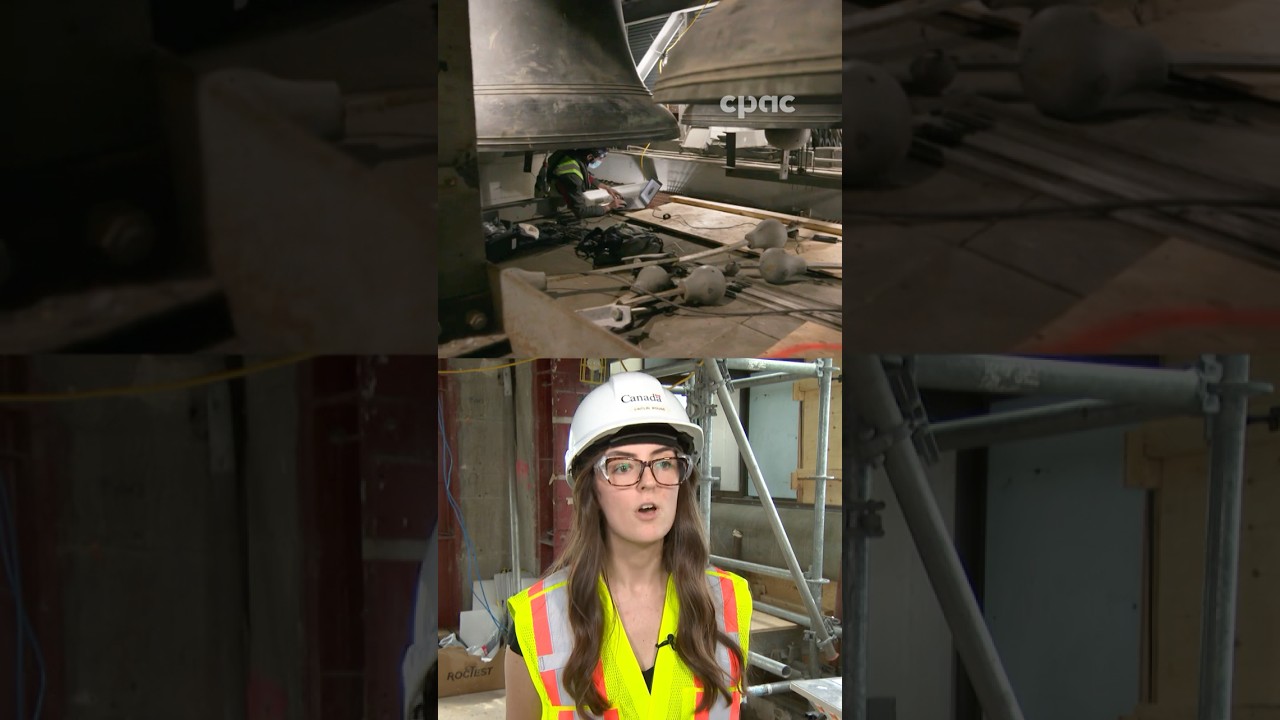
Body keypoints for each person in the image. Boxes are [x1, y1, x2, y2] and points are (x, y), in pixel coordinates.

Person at [505, 372, 752, 720]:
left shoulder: (730, 600)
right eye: (622, 467)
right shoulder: (536, 622)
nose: (649, 482)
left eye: (665, 463)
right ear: (591, 490)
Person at [546, 148, 625, 218]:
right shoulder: (573, 179)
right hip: (552, 202)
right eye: (600, 158)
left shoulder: (574, 157)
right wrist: (609, 206)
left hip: (557, 189)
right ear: (589, 157)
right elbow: (581, 212)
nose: (601, 161)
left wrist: (606, 187)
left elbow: (586, 176)